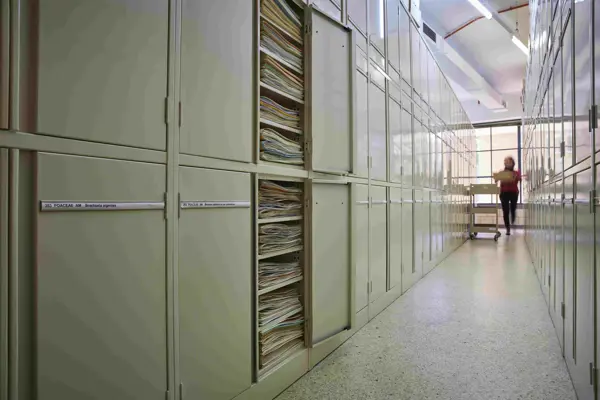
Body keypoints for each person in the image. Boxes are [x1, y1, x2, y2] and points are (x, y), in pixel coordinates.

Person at [495, 156, 521, 236]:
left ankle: (513, 215)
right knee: (505, 211)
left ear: (512, 163)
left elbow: (519, 179)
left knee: (512, 208)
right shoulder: (502, 172)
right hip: (504, 193)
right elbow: (496, 179)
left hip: (513, 193)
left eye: (508, 162)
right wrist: (497, 178)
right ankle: (508, 228)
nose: (506, 163)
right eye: (505, 162)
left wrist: (514, 177)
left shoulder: (516, 172)